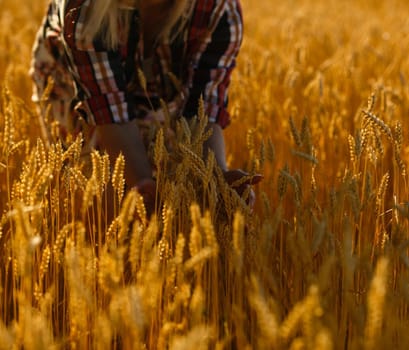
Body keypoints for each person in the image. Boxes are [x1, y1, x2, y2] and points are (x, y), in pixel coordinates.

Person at [30, 0, 261, 213]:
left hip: (161, 89)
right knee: (106, 188)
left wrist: (216, 179)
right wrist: (144, 190)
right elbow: (110, 112)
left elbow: (202, 108)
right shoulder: (84, 9)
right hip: (70, 83)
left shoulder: (217, 9)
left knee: (170, 173)